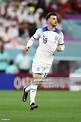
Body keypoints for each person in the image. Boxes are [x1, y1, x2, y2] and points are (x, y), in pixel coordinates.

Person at [22, 12, 65, 110]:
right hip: (38, 59)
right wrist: (28, 46)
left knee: (39, 83)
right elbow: (32, 39)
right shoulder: (40, 31)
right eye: (53, 19)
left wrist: (60, 48)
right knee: (36, 80)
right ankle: (32, 103)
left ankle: (26, 89)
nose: (55, 20)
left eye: (56, 19)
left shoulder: (59, 33)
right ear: (48, 20)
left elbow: (62, 45)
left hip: (48, 62)